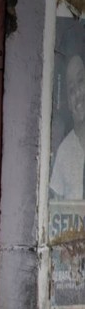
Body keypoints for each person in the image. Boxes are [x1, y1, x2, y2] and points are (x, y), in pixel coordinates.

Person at [51, 53, 85, 200]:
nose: (78, 93)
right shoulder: (64, 152)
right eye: (71, 89)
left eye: (81, 81)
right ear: (69, 104)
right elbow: (55, 211)